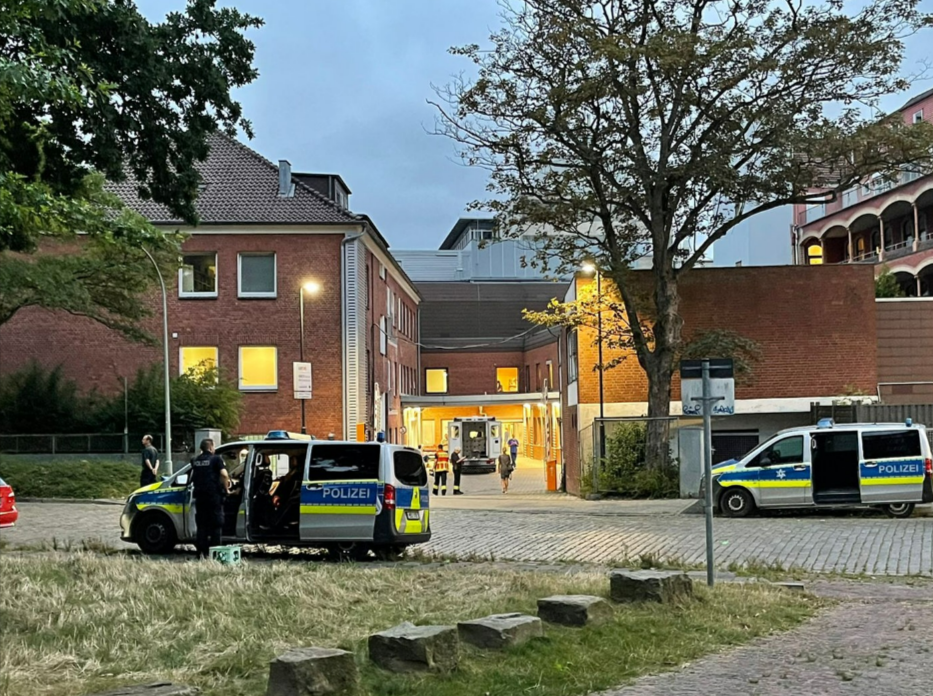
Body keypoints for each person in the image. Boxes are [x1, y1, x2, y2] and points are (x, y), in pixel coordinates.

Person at [190, 438, 231, 559]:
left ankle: (201, 554)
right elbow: (224, 474)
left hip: (200, 497)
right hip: (213, 497)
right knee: (216, 524)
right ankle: (215, 554)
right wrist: (227, 489)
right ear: (210, 448)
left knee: (201, 526)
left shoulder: (195, 460)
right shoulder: (216, 459)